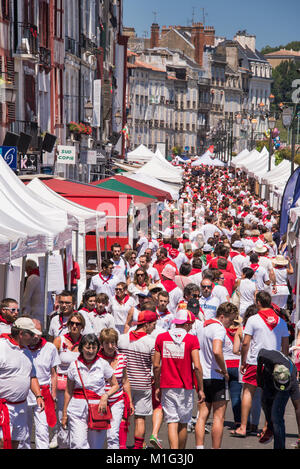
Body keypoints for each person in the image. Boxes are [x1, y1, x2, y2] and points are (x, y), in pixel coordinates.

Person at [231, 291, 289, 438]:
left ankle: (243, 427)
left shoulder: (253, 320)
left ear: (258, 302)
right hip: (275, 362)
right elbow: (285, 346)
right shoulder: (281, 321)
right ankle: (266, 427)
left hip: (254, 361)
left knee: (248, 392)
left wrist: (243, 361)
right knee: (270, 395)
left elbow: (245, 343)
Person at [153, 310, 205, 449]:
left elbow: (156, 365)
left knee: (172, 421)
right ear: (187, 324)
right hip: (185, 386)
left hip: (167, 385)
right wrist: (200, 388)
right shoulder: (192, 339)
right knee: (183, 422)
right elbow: (197, 367)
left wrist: (157, 386)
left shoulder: (161, 337)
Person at [61, 334, 119, 449]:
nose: (91, 351)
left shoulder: (103, 364)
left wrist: (105, 396)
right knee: (78, 444)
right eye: (88, 347)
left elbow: (115, 385)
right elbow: (68, 391)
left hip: (98, 409)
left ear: (98, 348)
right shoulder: (74, 365)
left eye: (94, 347)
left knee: (95, 446)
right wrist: (64, 414)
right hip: (77, 410)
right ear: (81, 348)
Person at [195, 302, 238, 449]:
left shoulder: (203, 326)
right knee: (219, 417)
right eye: (230, 320)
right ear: (222, 316)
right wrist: (224, 370)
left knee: (202, 416)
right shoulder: (219, 328)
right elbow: (217, 350)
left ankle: (199, 447)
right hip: (216, 376)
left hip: (202, 376)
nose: (231, 324)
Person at [0, 317, 45, 449]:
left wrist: (38, 395)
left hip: (20, 406)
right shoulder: (2, 347)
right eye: (31, 334)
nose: (34, 337)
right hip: (3, 406)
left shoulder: (26, 351)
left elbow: (32, 376)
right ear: (21, 333)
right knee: (2, 442)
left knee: (15, 442)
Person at [118, 310, 157, 450]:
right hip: (143, 384)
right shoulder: (151, 342)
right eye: (153, 324)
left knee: (123, 416)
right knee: (140, 417)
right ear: (146, 325)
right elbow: (155, 365)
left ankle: (121, 446)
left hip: (123, 384)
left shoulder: (121, 339)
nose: (154, 327)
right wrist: (156, 382)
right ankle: (138, 447)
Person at [21, 319, 60, 449]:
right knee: (24, 430)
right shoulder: (21, 347)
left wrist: (53, 394)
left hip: (43, 392)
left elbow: (54, 374)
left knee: (42, 430)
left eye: (39, 332)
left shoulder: (50, 348)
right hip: (25, 393)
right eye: (33, 333)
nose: (36, 336)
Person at [52, 312, 85, 448]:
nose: (74, 326)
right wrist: (52, 387)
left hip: (79, 386)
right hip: (62, 386)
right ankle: (63, 445)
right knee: (62, 419)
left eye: (77, 324)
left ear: (82, 326)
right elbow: (51, 364)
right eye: (72, 323)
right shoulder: (59, 340)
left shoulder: (85, 342)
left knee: (78, 420)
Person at [257, 348, 300, 448]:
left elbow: (298, 407)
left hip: (286, 384)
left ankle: (279, 446)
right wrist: (259, 374)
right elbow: (260, 354)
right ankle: (270, 427)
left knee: (277, 416)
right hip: (269, 377)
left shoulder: (292, 380)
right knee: (264, 401)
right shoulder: (265, 356)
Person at [99, 328, 134, 449]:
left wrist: (129, 401)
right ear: (101, 344)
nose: (110, 346)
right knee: (97, 435)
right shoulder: (96, 359)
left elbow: (125, 381)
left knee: (113, 435)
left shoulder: (122, 358)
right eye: (106, 343)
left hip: (117, 400)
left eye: (113, 342)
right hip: (98, 401)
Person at [22, 259, 43, 327]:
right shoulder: (43, 276)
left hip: (35, 310)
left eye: (26, 270)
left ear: (29, 268)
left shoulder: (32, 278)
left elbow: (27, 296)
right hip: (46, 310)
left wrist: (22, 307)